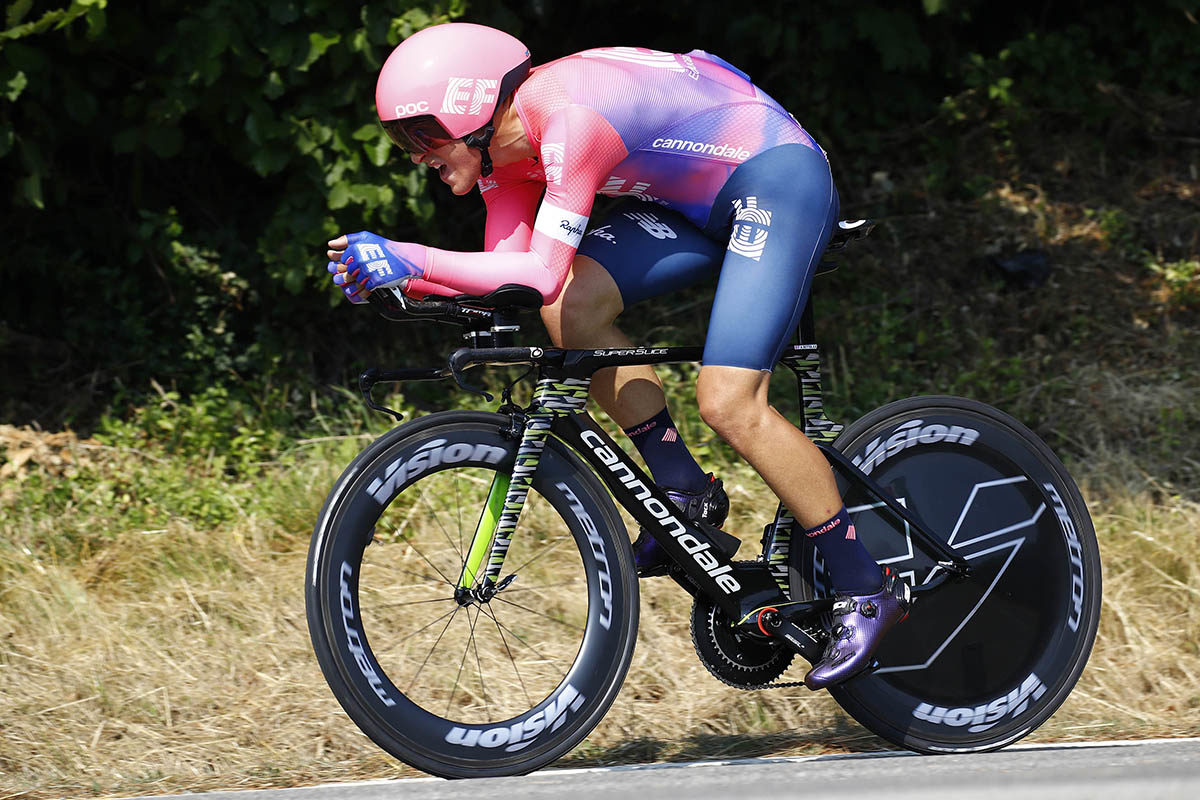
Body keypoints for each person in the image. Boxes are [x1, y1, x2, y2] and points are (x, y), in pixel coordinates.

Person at [325, 22, 909, 689]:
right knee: (568, 311)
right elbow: (508, 283)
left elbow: (538, 269)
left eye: (421, 136)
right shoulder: (501, 158)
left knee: (728, 402)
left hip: (775, 180)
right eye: (404, 142)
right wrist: (401, 281)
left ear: (472, 108)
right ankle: (683, 493)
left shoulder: (571, 120)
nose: (415, 156)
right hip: (692, 201)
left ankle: (867, 586)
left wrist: (409, 256)